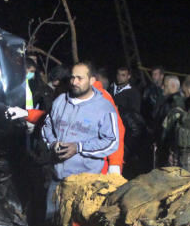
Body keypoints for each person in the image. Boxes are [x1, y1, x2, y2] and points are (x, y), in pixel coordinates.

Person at [40, 62, 120, 216]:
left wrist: (79, 147)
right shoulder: (60, 101)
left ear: (91, 80)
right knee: (52, 225)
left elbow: (111, 141)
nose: (74, 82)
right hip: (57, 180)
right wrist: (53, 143)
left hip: (85, 184)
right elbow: (47, 125)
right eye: (72, 77)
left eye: (79, 78)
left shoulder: (104, 108)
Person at [112, 66, 144, 177]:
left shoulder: (133, 93)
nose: (120, 78)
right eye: (118, 74)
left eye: (123, 75)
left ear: (129, 76)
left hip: (125, 131)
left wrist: (120, 109)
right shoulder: (111, 88)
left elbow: (135, 114)